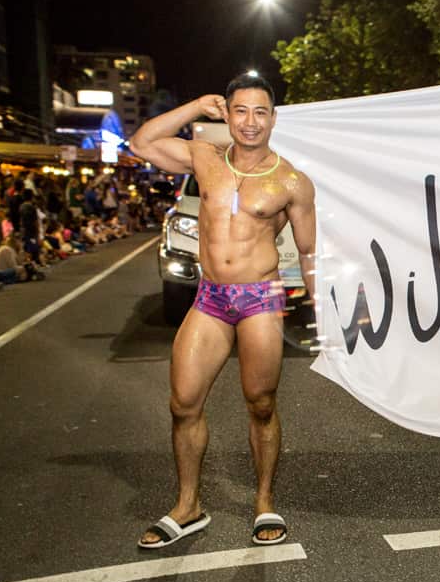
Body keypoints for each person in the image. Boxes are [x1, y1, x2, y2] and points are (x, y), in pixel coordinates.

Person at [130, 73, 316, 549]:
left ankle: (263, 502)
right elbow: (142, 141)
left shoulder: (291, 181)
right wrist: (194, 104)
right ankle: (188, 506)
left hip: (260, 299)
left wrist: (324, 312)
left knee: (261, 403)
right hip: (211, 297)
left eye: (260, 112)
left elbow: (310, 254)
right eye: (240, 110)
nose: (250, 122)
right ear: (227, 114)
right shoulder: (203, 158)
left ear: (273, 119)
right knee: (183, 403)